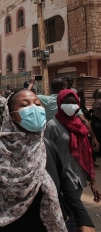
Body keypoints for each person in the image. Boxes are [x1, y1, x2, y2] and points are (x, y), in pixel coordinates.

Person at [0, 89, 95, 232]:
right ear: (11, 115)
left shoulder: (46, 147)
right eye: (25, 105)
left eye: (38, 104)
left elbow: (64, 182)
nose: (34, 108)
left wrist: (84, 219)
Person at [44, 89, 100, 231]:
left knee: (73, 215)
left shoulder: (80, 125)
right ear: (60, 103)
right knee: (68, 216)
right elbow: (46, 155)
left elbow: (86, 154)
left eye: (74, 102)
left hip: (79, 179)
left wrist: (92, 182)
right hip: (62, 181)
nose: (71, 105)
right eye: (67, 103)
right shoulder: (52, 126)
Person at [28, 77, 100, 149]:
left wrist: (31, 84)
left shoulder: (45, 100)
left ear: (51, 88)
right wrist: (94, 138)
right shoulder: (70, 102)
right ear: (64, 87)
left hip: (50, 136)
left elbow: (25, 96)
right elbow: (83, 120)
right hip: (69, 137)